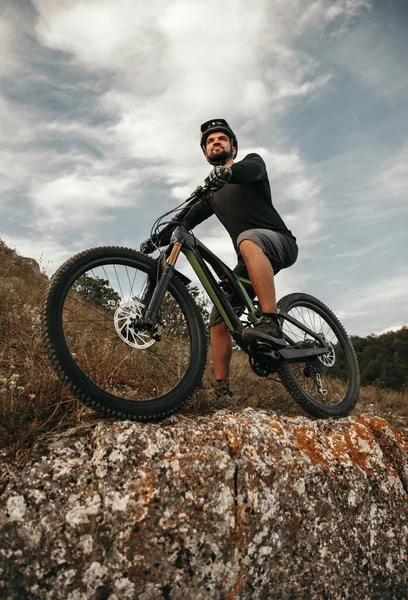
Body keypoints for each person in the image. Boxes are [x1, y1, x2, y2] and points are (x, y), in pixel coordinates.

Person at [141, 118, 298, 398]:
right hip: (249, 258)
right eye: (210, 142)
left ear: (233, 148)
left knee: (248, 239)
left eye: (221, 139)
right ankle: (222, 388)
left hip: (278, 242)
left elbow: (252, 170)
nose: (216, 143)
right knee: (219, 316)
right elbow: (184, 220)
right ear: (205, 154)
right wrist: (156, 241)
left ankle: (271, 320)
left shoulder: (250, 165)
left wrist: (227, 174)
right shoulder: (212, 195)